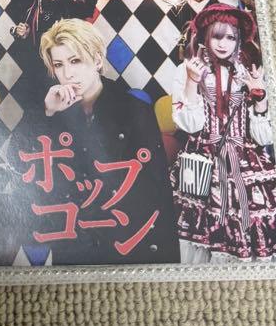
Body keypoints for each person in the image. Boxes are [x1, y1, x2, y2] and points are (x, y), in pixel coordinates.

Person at [13, 19, 180, 265]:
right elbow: (19, 165)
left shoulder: (133, 109)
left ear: (98, 61)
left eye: (75, 61)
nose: (67, 74)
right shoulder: (51, 106)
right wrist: (46, 114)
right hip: (72, 241)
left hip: (125, 240)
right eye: (58, 65)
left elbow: (156, 195)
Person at [170, 3, 276, 262]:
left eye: (231, 38)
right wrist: (192, 82)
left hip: (246, 160)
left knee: (252, 222)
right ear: (205, 37)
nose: (223, 44)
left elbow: (264, 137)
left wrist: (259, 97)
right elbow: (191, 125)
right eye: (217, 36)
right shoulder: (187, 70)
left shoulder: (250, 72)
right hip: (204, 159)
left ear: (239, 40)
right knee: (201, 231)